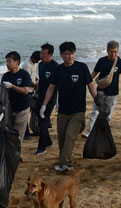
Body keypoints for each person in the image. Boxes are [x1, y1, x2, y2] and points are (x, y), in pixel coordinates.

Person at [40, 41, 98, 172]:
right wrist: (44, 105)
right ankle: (63, 160)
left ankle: (66, 164)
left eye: (72, 54)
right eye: (66, 54)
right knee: (62, 138)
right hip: (63, 111)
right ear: (61, 55)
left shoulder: (82, 67)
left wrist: (97, 100)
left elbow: (90, 85)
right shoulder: (58, 70)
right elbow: (51, 87)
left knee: (70, 136)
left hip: (78, 110)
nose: (70, 57)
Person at [84, 40, 121, 138]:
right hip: (100, 91)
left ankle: (103, 133)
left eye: (116, 51)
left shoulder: (120, 62)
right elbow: (94, 73)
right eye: (111, 51)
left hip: (113, 93)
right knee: (95, 112)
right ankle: (90, 132)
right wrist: (86, 81)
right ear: (107, 50)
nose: (113, 53)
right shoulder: (101, 61)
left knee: (108, 114)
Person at [1, 51, 31, 154]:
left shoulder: (24, 74)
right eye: (6, 62)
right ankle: (11, 153)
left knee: (18, 133)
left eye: (9, 61)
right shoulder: (6, 76)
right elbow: (3, 93)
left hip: (22, 108)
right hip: (10, 109)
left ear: (16, 62)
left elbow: (26, 91)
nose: (7, 64)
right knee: (9, 132)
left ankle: (16, 155)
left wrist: (12, 86)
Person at [34, 43, 58, 155]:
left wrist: (58, 102)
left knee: (43, 121)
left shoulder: (55, 67)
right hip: (40, 96)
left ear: (51, 54)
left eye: (44, 54)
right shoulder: (40, 64)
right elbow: (41, 79)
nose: (41, 56)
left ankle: (41, 147)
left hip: (50, 99)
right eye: (41, 53)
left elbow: (56, 86)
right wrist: (37, 91)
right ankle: (47, 142)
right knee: (41, 120)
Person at [21, 51, 40, 139]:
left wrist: (37, 80)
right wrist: (38, 85)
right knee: (25, 113)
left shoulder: (35, 63)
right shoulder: (27, 65)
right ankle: (25, 133)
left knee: (32, 112)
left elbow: (33, 76)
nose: (38, 62)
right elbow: (27, 81)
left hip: (32, 91)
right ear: (33, 58)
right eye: (37, 60)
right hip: (26, 92)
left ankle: (30, 131)